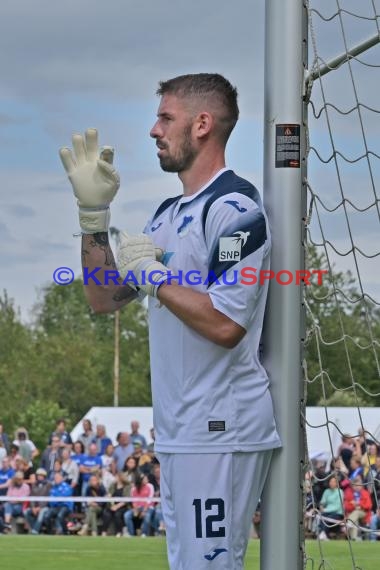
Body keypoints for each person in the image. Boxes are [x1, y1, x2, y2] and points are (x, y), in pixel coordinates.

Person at [60, 72, 281, 569]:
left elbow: (227, 325)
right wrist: (93, 217)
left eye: (165, 117)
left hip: (220, 429)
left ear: (202, 125)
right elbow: (103, 298)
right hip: (182, 432)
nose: (153, 130)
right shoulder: (165, 214)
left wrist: (156, 277)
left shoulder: (235, 212)